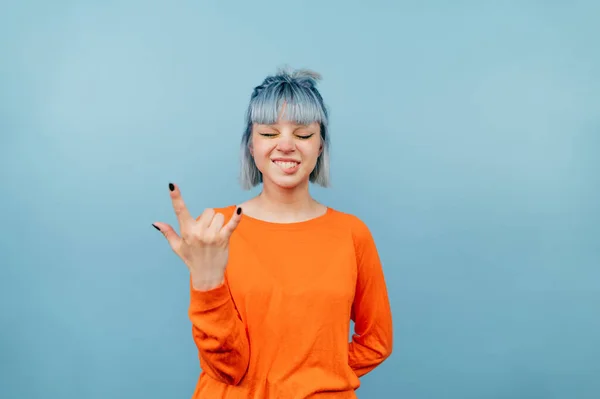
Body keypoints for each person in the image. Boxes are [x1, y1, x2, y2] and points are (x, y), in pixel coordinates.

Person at [152, 67, 393, 398]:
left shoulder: (352, 233)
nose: (286, 145)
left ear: (320, 145)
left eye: (303, 134)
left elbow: (376, 342)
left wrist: (315, 375)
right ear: (251, 146)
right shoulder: (217, 230)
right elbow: (227, 367)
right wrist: (206, 282)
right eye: (268, 133)